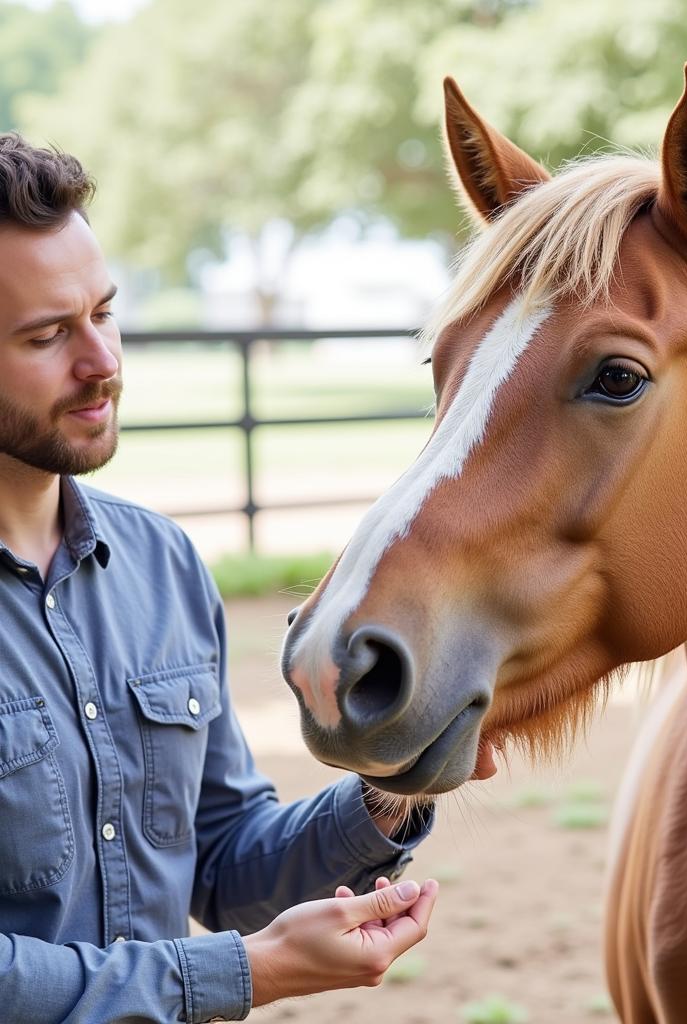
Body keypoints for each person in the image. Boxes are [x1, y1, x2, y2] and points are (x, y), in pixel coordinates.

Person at [0, 132, 439, 1023]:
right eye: (49, 335)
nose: (103, 364)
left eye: (106, 313)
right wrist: (240, 975)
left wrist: (392, 793)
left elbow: (226, 867)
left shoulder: (162, 567)